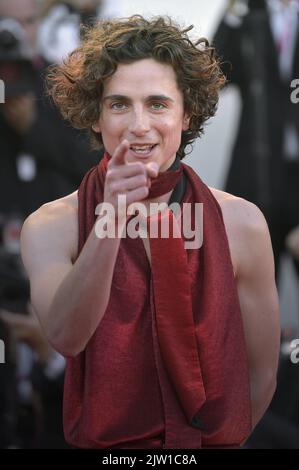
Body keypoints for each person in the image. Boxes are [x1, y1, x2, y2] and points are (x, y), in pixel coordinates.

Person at [20, 16, 280, 449]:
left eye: (157, 104)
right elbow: (67, 335)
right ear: (96, 117)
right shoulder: (51, 225)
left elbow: (261, 374)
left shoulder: (243, 222)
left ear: (186, 113)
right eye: (119, 104)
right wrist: (110, 219)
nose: (139, 124)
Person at [213, 0, 299, 278]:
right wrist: (233, 10)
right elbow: (215, 73)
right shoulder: (249, 13)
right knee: (255, 278)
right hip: (258, 167)